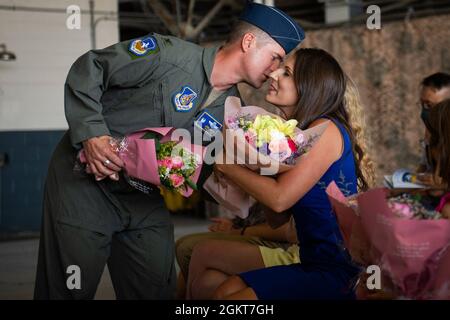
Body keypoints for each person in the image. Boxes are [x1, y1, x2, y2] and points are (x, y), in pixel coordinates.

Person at [33, 2, 304, 300]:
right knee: (67, 288)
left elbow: (199, 170)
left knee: (155, 286)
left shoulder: (234, 114)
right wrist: (93, 134)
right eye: (275, 57)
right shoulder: (167, 54)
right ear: (249, 41)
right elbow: (91, 67)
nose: (274, 70)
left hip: (143, 198)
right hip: (84, 186)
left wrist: (244, 170)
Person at [180, 76, 375, 300]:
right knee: (219, 286)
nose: (274, 75)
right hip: (311, 260)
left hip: (333, 267)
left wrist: (228, 167)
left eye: (288, 73)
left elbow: (280, 201)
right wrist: (263, 164)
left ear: (310, 87)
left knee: (205, 259)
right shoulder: (296, 142)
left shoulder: (325, 130)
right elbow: (277, 218)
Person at [417, 72, 450, 174]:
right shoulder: (430, 133)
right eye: (422, 104)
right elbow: (422, 169)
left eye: (429, 105)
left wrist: (441, 184)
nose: (424, 111)